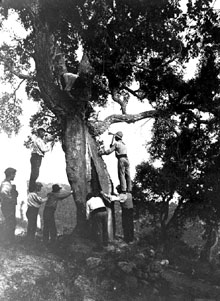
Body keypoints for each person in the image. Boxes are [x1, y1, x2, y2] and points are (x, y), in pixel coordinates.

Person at [29, 127, 51, 192]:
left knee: (35, 173)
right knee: (35, 173)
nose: (44, 134)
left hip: (37, 157)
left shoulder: (40, 140)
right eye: (42, 132)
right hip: (36, 157)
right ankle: (31, 188)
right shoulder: (38, 140)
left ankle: (32, 187)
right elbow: (43, 149)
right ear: (39, 133)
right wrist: (49, 146)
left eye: (44, 132)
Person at [0, 167, 18, 244]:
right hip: (8, 206)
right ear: (11, 174)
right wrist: (10, 198)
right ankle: (7, 241)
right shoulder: (6, 184)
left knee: (10, 222)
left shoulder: (7, 183)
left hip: (7, 205)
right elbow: (3, 192)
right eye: (14, 174)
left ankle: (8, 240)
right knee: (9, 222)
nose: (14, 176)